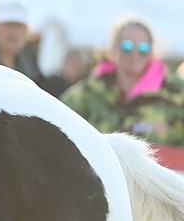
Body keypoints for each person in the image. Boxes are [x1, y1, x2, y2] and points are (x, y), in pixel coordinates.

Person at [61, 17, 184, 146]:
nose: (135, 55)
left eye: (143, 48)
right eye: (127, 47)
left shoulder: (177, 93)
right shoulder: (86, 95)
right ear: (114, 49)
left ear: (151, 52)